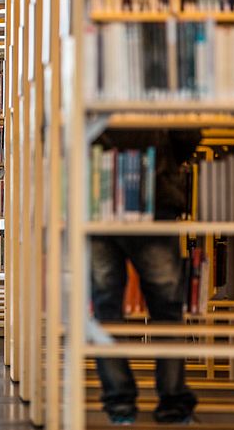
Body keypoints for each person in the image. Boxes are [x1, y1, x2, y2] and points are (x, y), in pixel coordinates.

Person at [91, 129, 200, 425]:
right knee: (167, 306)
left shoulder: (82, 83)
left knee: (106, 307)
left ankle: (120, 402)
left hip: (99, 190)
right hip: (156, 191)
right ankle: (173, 400)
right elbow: (188, 133)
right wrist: (164, 160)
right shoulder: (164, 85)